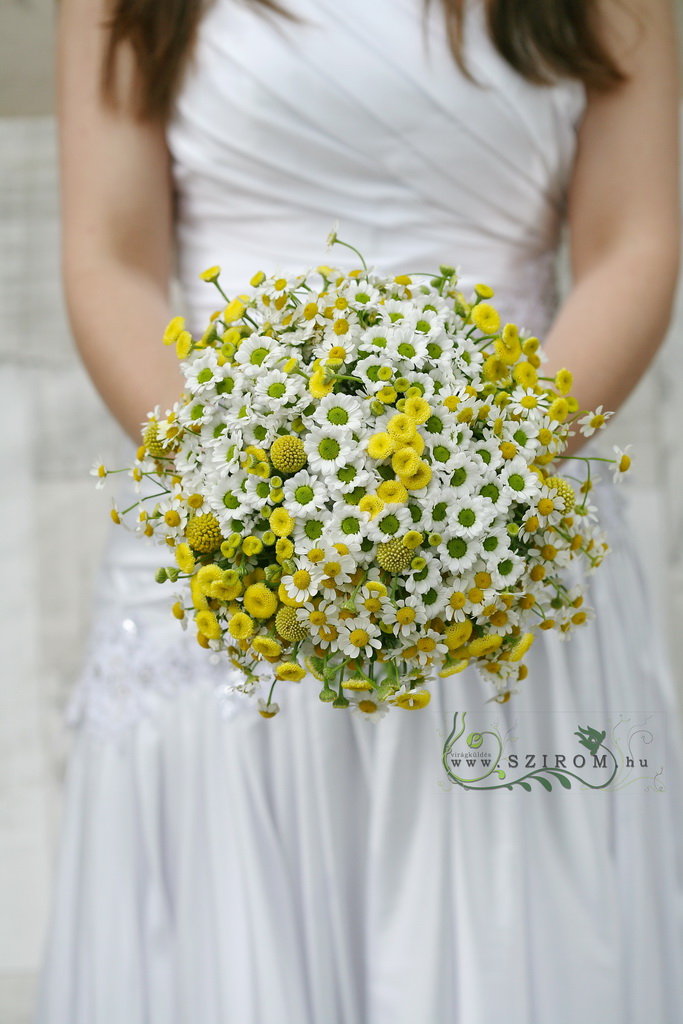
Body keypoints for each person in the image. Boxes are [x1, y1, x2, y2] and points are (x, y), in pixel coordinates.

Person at [37, 0, 683, 1021]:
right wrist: (249, 498)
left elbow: (632, 246)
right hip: (232, 543)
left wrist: (479, 479)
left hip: (502, 550)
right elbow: (108, 259)